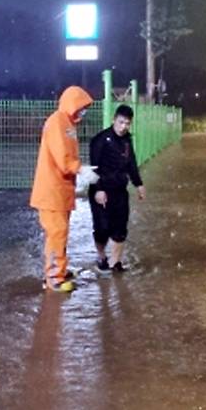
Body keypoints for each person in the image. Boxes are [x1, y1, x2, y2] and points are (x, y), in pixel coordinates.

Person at [30, 86, 99, 292]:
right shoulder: (58, 123)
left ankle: (59, 270)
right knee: (56, 234)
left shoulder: (65, 122)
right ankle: (54, 278)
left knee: (59, 234)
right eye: (82, 107)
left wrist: (79, 168)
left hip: (58, 191)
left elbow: (65, 157)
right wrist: (81, 169)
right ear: (72, 104)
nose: (83, 112)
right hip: (52, 192)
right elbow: (63, 158)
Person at [88, 104, 145, 275]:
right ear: (114, 120)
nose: (123, 127)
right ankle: (101, 257)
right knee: (102, 229)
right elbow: (93, 167)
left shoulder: (127, 140)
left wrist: (139, 184)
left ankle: (116, 263)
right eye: (121, 122)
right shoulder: (100, 140)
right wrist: (98, 189)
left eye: (127, 123)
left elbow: (131, 163)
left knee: (120, 229)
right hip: (102, 192)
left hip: (120, 191)